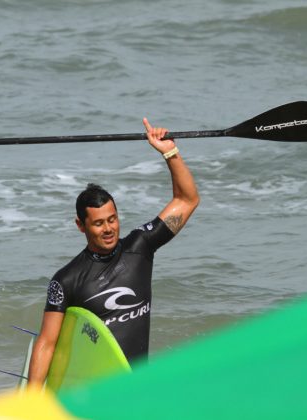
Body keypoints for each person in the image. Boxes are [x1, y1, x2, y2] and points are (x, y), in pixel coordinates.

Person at [28, 118, 200, 386]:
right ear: (80, 226)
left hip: (136, 387)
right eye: (98, 223)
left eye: (112, 219)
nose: (108, 229)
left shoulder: (140, 247)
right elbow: (47, 343)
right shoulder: (67, 280)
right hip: (95, 391)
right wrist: (31, 401)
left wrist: (169, 152)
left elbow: (187, 200)